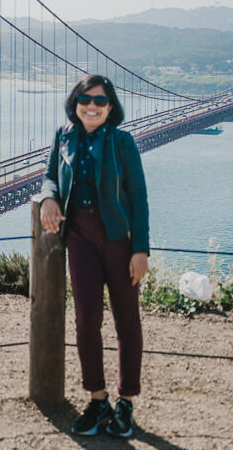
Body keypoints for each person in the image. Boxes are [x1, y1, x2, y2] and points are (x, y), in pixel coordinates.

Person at [39, 74, 149, 438]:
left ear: (111, 107)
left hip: (118, 241)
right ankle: (98, 398)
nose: (92, 106)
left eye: (101, 102)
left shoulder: (122, 142)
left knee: (127, 323)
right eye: (86, 99)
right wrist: (50, 197)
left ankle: (126, 403)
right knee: (87, 319)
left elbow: (139, 199)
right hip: (81, 242)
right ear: (76, 102)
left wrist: (140, 251)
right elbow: (50, 175)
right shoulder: (63, 136)